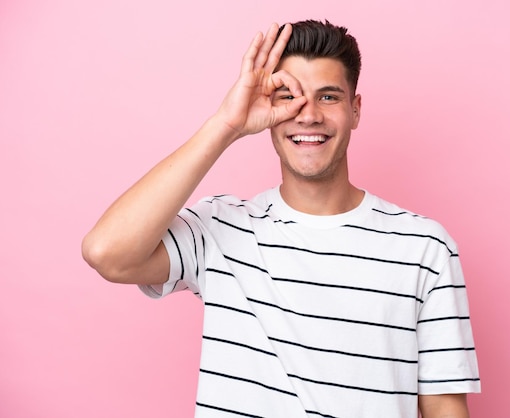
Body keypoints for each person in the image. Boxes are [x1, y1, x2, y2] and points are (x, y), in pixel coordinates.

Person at [82, 20, 480, 418]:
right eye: (289, 96)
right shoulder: (220, 229)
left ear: (355, 110)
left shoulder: (425, 247)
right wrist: (226, 125)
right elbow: (107, 252)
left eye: (328, 97)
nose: (307, 116)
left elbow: (444, 407)